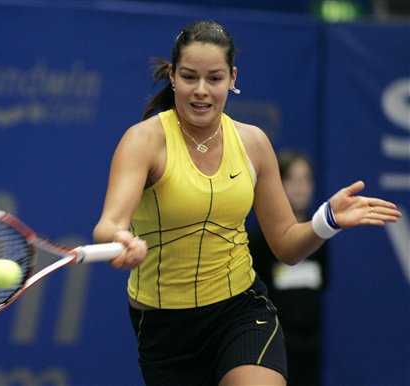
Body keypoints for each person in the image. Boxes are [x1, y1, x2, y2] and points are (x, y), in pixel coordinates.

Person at [93, 20, 401, 386]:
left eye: (215, 78)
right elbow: (109, 224)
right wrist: (120, 239)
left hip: (240, 310)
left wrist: (327, 220)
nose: (201, 91)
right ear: (172, 76)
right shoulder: (143, 141)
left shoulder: (253, 143)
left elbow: (286, 243)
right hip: (163, 326)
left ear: (232, 78)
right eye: (190, 77)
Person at [249, 150, 326, 386]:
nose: (300, 187)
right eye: (292, 179)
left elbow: (322, 282)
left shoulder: (319, 236)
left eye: (306, 179)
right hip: (272, 342)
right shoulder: (258, 240)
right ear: (278, 185)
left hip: (309, 344)